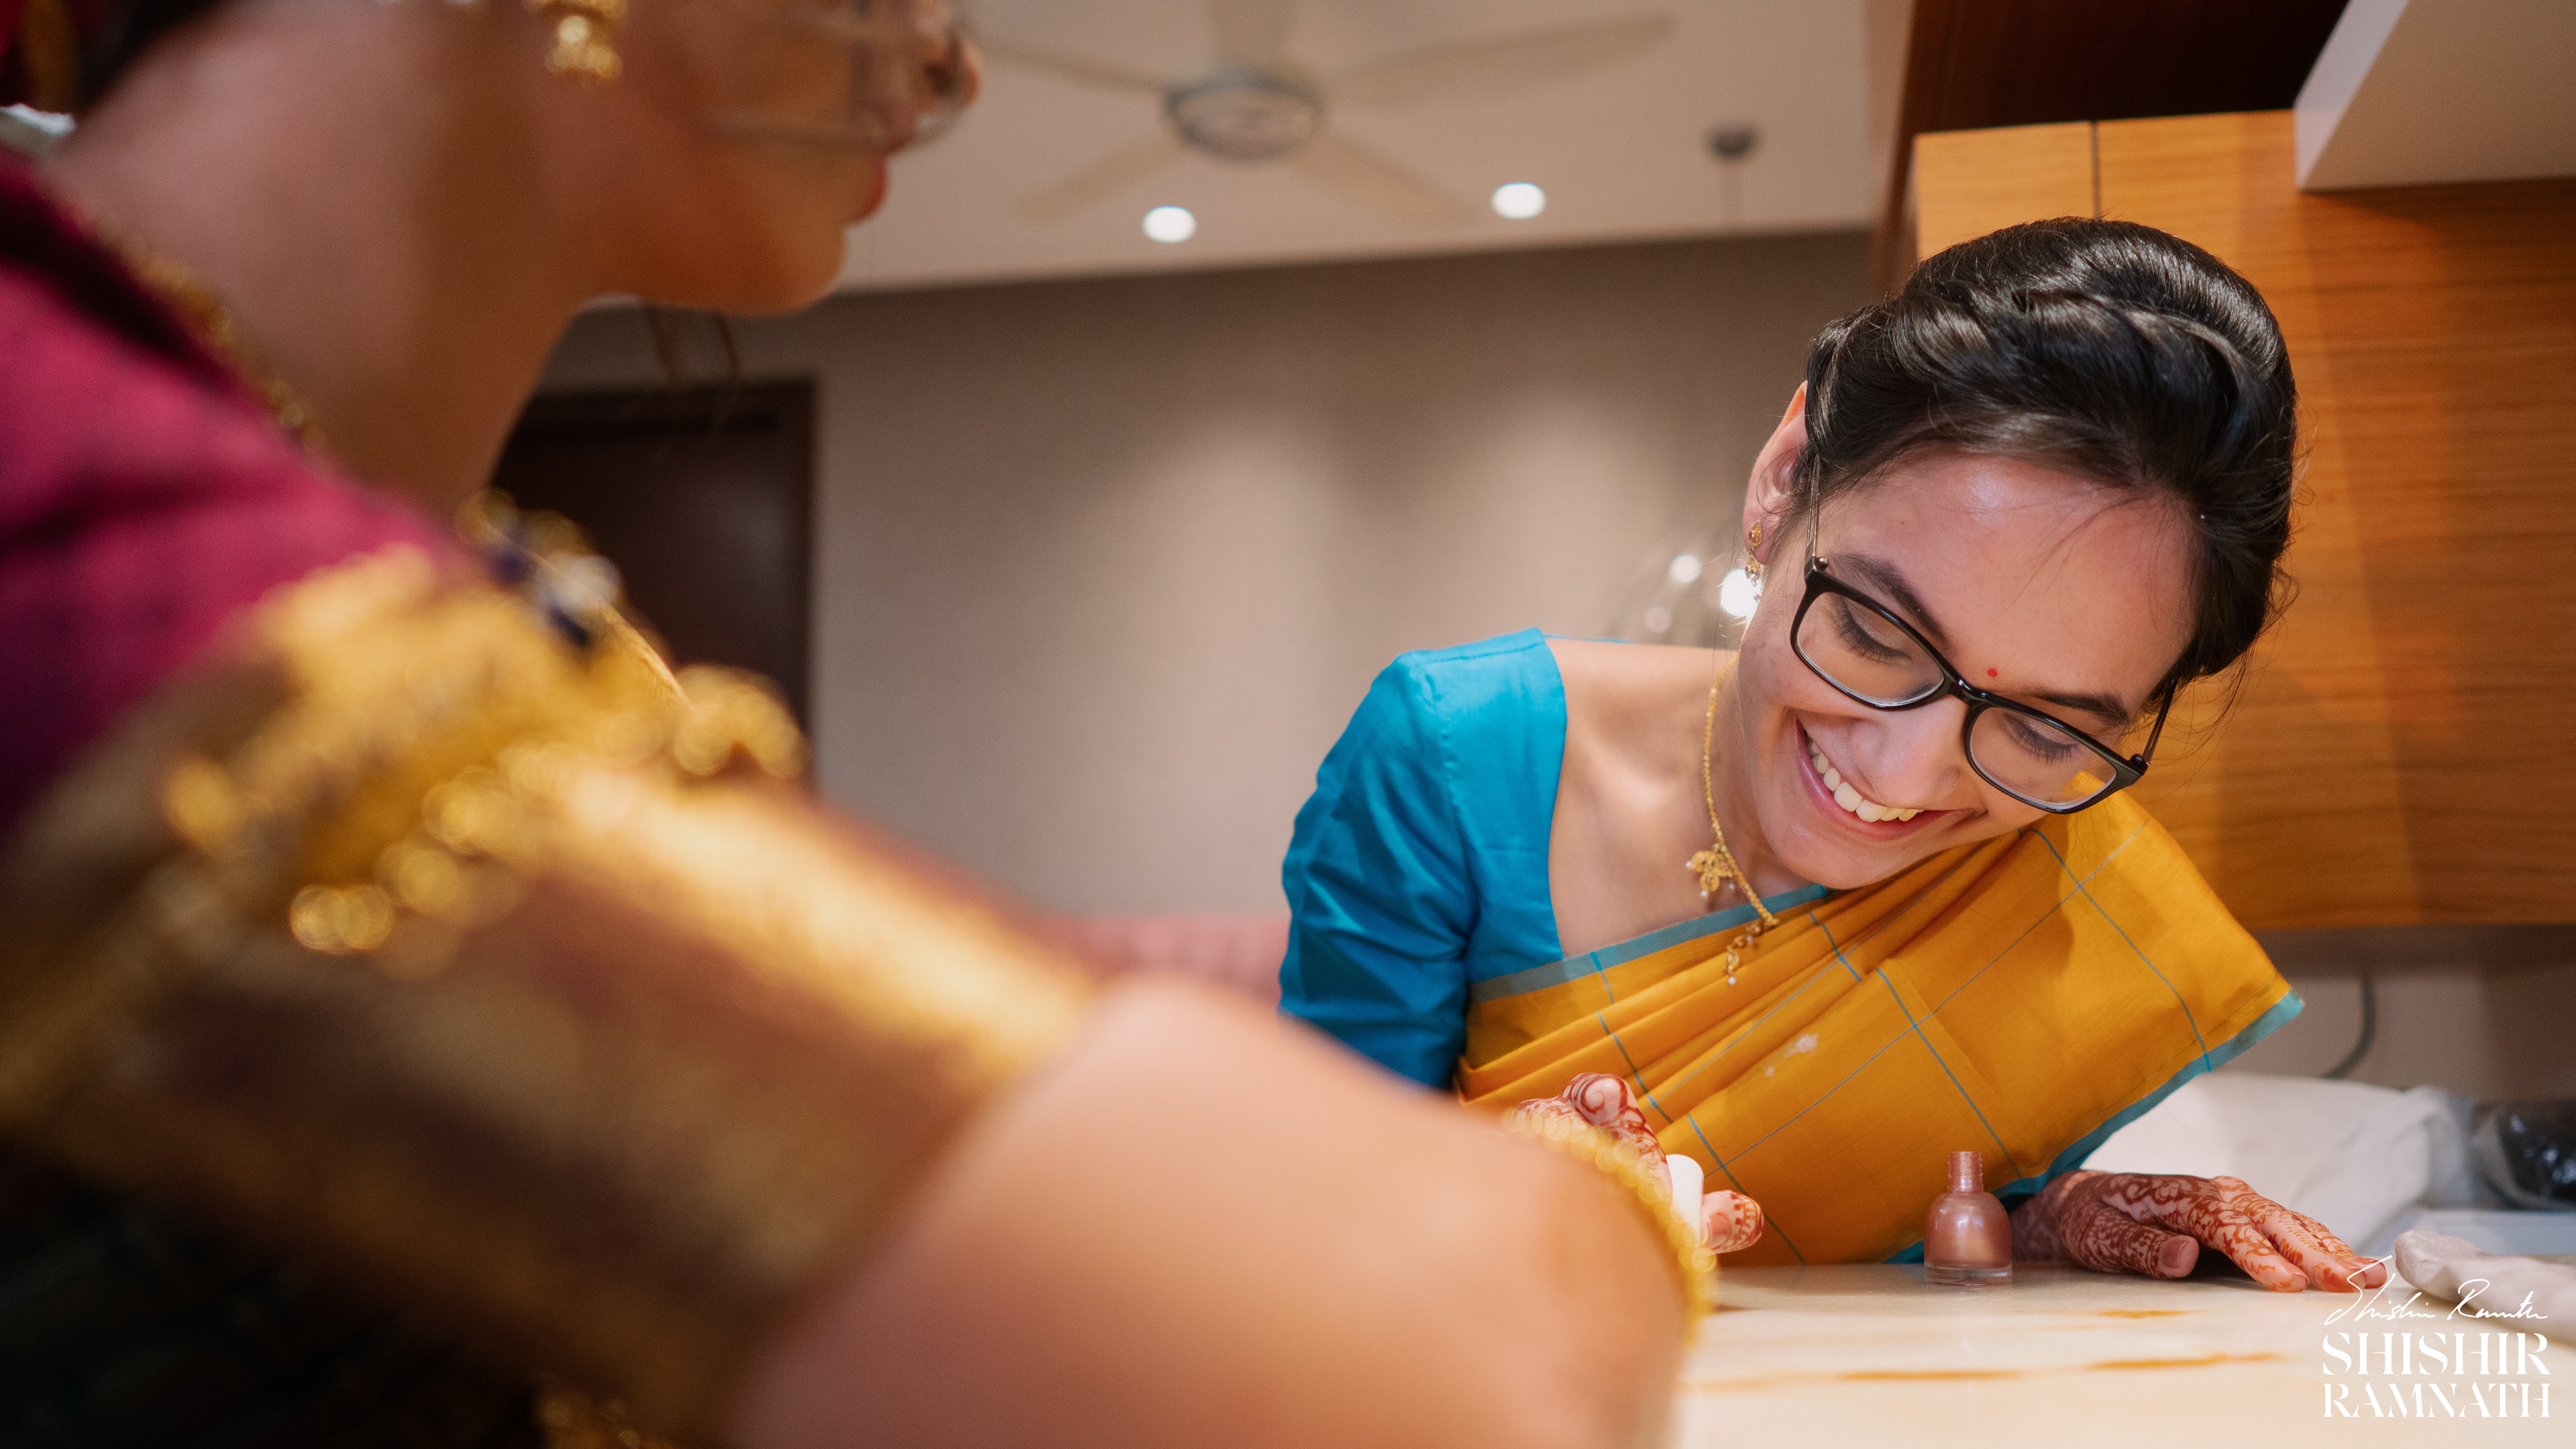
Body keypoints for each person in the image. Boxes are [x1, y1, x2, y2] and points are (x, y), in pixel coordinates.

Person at [0, 2, 1696, 1446]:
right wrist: (1596, 1186)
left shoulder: (449, 591)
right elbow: (1449, 1364)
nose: (947, 60)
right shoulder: (93, 515)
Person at [1281, 219, 2391, 1295]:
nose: (1904, 779)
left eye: (2047, 728)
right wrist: (1498, 1176)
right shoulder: (1455, 756)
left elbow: (1871, 1215)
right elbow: (1295, 1219)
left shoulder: (2058, 855)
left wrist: (2042, 1219)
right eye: (1874, 631)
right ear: (1786, 477)